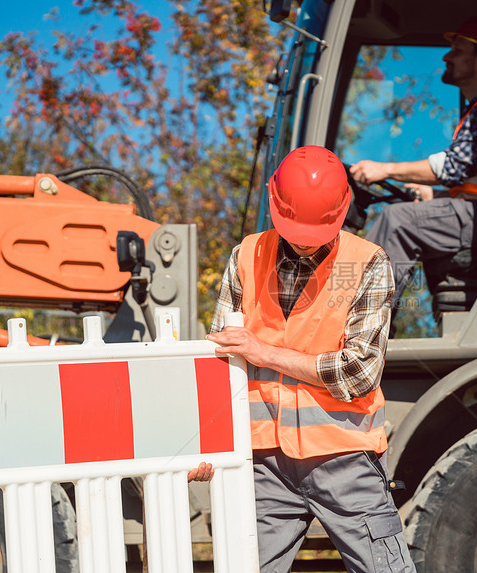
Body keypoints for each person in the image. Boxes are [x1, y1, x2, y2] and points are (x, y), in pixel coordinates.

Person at [198, 145, 414, 573]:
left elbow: (359, 373)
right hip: (264, 464)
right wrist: (209, 442)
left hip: (345, 457)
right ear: (272, 200)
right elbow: (220, 361)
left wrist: (264, 352)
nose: (300, 239)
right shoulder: (245, 256)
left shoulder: (368, 263)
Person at [349, 16, 477, 316]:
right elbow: (476, 179)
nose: (446, 56)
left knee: (398, 221)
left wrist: (385, 169)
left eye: (457, 50)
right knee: (410, 215)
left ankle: (357, 327)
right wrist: (436, 197)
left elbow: (453, 167)